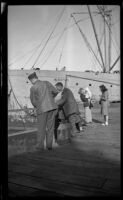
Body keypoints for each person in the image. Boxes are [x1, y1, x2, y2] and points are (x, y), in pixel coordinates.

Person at [28, 72, 58, 151]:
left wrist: (37, 106)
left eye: (30, 81)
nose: (31, 82)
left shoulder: (33, 88)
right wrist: (51, 99)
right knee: (50, 128)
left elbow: (33, 101)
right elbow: (55, 91)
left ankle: (40, 147)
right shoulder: (47, 83)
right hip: (52, 108)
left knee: (41, 128)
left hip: (42, 109)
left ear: (32, 79)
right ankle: (49, 146)